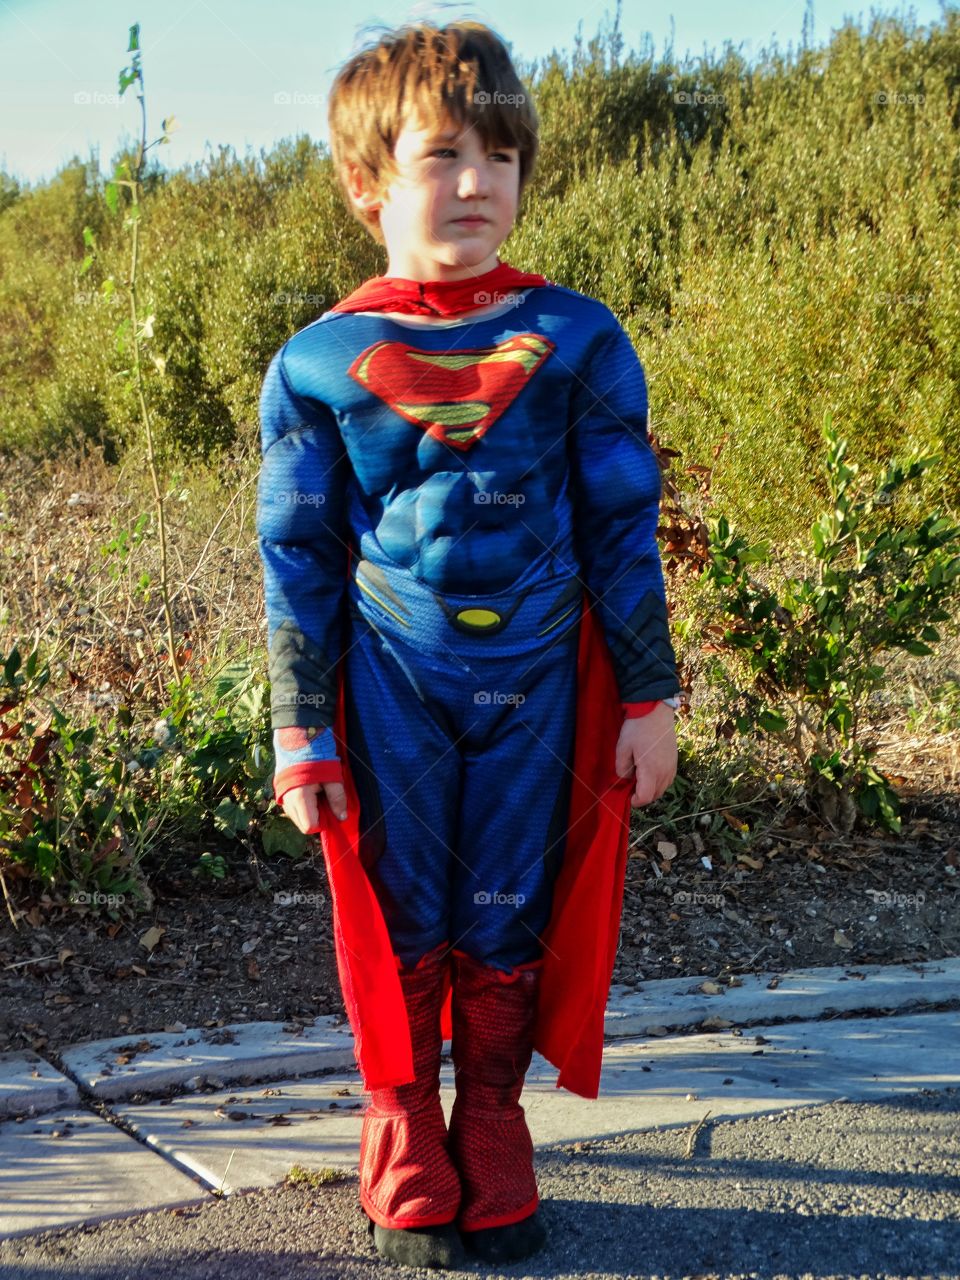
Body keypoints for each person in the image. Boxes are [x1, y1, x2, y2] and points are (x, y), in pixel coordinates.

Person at [256, 19, 680, 1270]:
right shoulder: (318, 361)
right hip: (390, 685)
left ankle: (490, 1123)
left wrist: (647, 693)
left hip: (541, 691)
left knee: (510, 909)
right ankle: (400, 1128)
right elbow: (296, 555)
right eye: (445, 154)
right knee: (395, 914)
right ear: (367, 182)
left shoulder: (582, 338)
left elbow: (620, 520)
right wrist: (300, 726)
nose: (480, 181)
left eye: (502, 155)